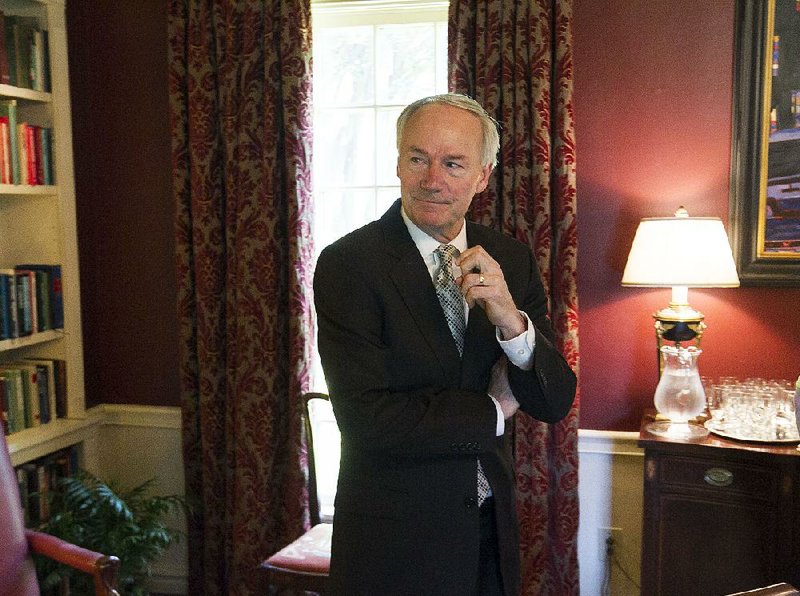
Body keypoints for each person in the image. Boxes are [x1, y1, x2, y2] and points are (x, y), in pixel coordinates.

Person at [313, 93, 577, 596]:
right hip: (393, 545)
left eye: (453, 163)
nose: (432, 179)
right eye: (418, 158)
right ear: (397, 163)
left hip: (488, 537)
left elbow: (554, 399)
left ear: (482, 176)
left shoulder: (510, 260)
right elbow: (368, 419)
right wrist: (492, 412)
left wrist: (511, 323)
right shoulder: (349, 265)